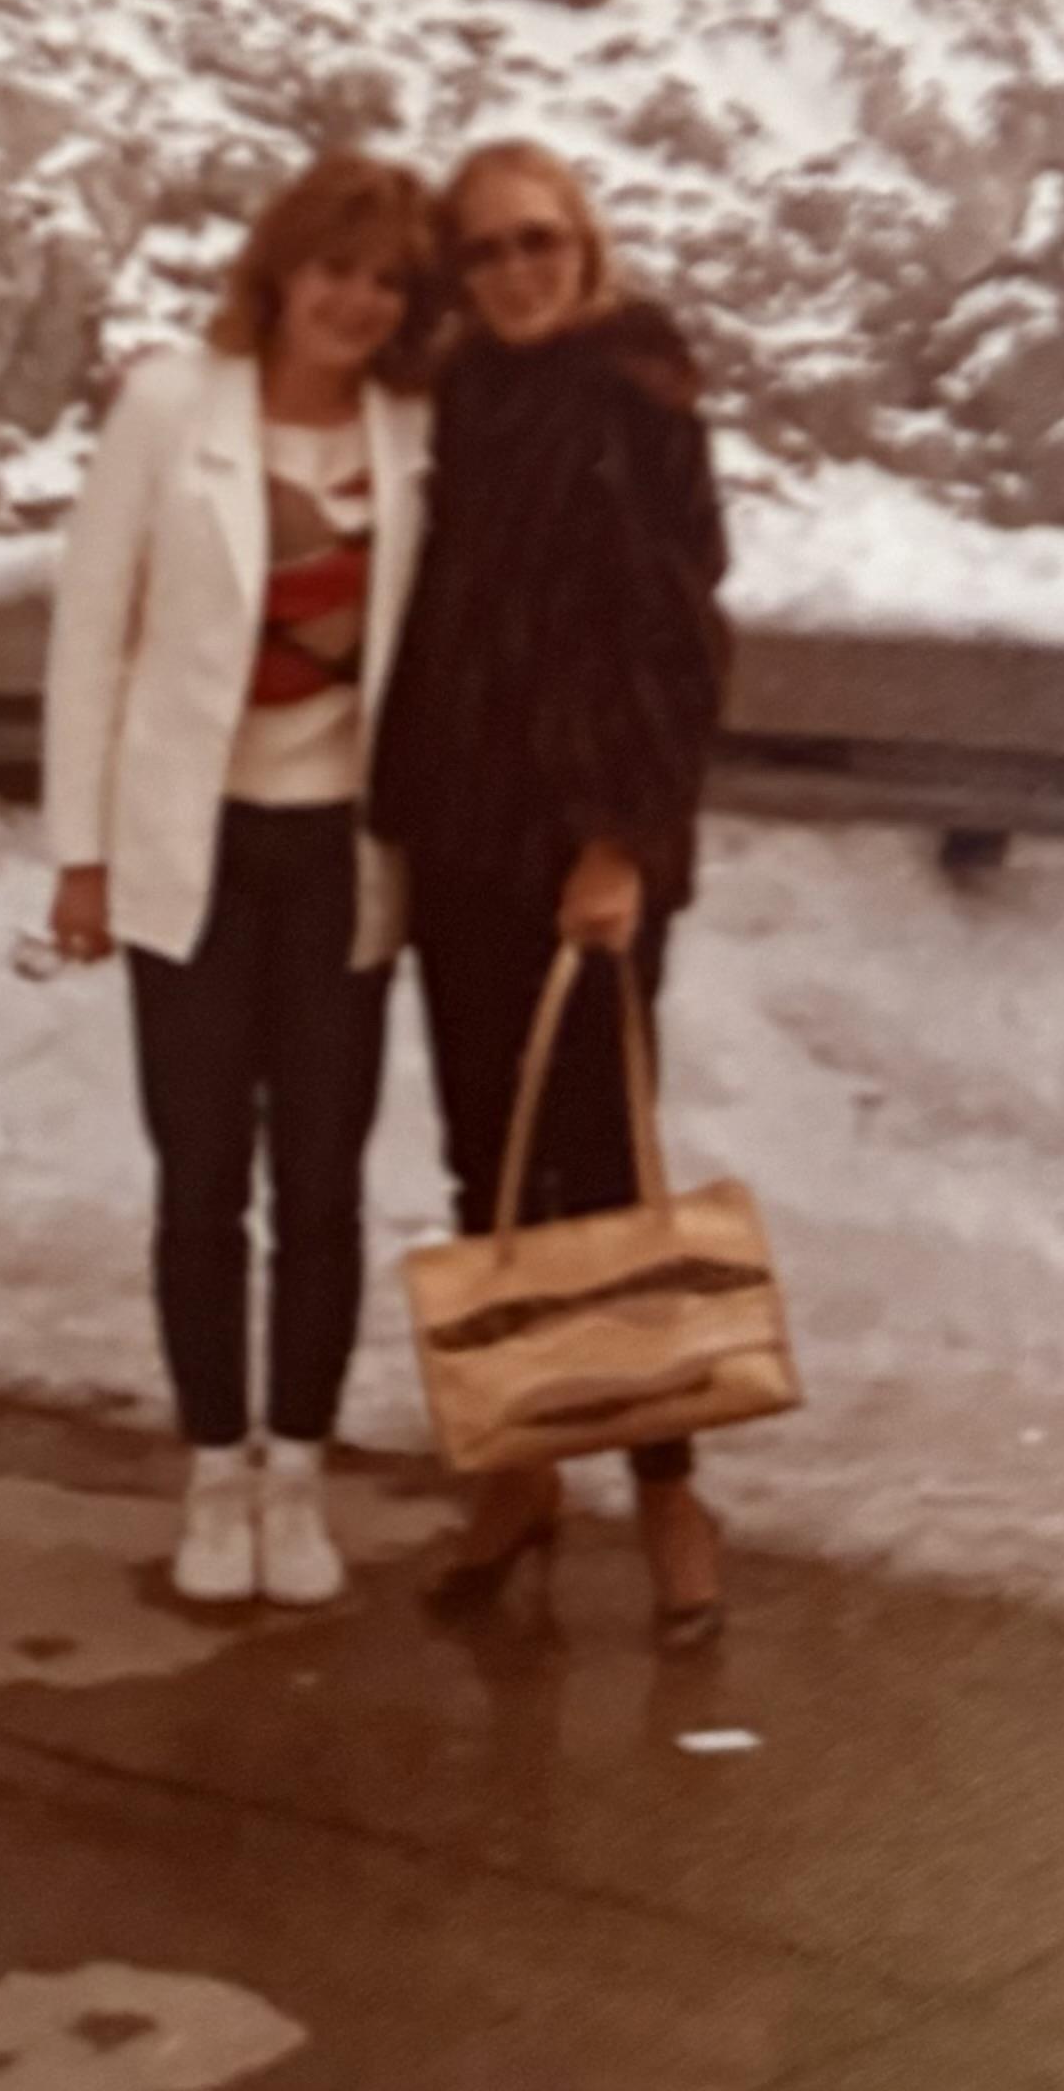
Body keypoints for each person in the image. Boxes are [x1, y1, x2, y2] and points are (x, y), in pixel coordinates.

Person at [44, 152, 437, 1608]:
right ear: (280, 271)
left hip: (343, 855)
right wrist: (79, 859)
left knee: (322, 1184)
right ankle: (213, 1473)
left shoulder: (415, 434)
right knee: (201, 1179)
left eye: (388, 280)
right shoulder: (168, 410)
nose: (355, 300)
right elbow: (92, 633)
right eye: (334, 268)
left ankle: (297, 1476)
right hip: (189, 849)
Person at [369, 138, 732, 1648]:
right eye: (484, 253)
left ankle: (666, 1493)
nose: (515, 272)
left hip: (581, 850)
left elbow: (675, 641)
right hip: (458, 840)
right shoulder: (455, 402)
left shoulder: (633, 398)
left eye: (539, 243)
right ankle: (521, 1473)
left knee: (609, 1167)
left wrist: (621, 844)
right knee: (489, 1174)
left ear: (585, 247)